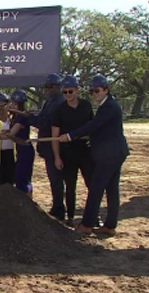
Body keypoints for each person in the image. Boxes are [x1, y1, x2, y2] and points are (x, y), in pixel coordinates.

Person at [59, 75, 129, 236]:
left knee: (96, 188)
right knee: (111, 189)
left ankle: (87, 224)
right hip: (115, 152)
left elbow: (93, 125)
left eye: (97, 91)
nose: (94, 94)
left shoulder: (109, 107)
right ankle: (110, 225)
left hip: (109, 154)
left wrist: (70, 135)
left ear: (106, 89)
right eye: (91, 91)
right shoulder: (107, 106)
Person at [51, 75, 94, 226]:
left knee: (92, 184)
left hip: (85, 151)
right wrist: (57, 157)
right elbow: (55, 136)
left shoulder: (86, 106)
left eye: (70, 91)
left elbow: (92, 128)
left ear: (77, 90)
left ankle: (93, 216)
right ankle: (70, 216)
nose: (68, 95)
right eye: (65, 92)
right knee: (70, 186)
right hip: (67, 153)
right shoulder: (59, 110)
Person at [27, 73, 66, 220]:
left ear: (58, 87)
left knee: (57, 179)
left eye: (50, 87)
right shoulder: (49, 102)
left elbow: (45, 123)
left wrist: (29, 118)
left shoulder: (58, 103)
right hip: (47, 147)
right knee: (53, 179)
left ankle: (59, 209)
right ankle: (57, 206)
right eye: (46, 87)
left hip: (54, 148)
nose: (47, 90)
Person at [4, 89, 35, 198]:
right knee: (21, 177)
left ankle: (28, 202)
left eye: (14, 103)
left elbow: (12, 133)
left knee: (22, 179)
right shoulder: (16, 117)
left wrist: (0, 136)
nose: (11, 105)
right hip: (20, 150)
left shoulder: (22, 117)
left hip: (25, 150)